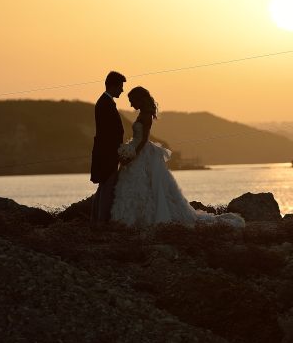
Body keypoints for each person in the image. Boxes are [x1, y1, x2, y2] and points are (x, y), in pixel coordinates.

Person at [110, 86, 244, 228]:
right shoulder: (143, 113)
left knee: (147, 185)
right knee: (140, 185)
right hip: (137, 149)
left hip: (141, 151)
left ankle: (142, 218)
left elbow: (143, 140)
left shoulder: (145, 115)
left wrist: (132, 154)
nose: (131, 104)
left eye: (132, 100)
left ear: (140, 99)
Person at [90, 71, 126, 223]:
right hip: (107, 154)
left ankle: (96, 220)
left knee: (103, 187)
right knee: (107, 187)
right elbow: (108, 133)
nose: (122, 90)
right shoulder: (105, 103)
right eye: (121, 86)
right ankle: (100, 222)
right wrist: (116, 151)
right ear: (113, 85)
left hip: (107, 152)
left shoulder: (105, 102)